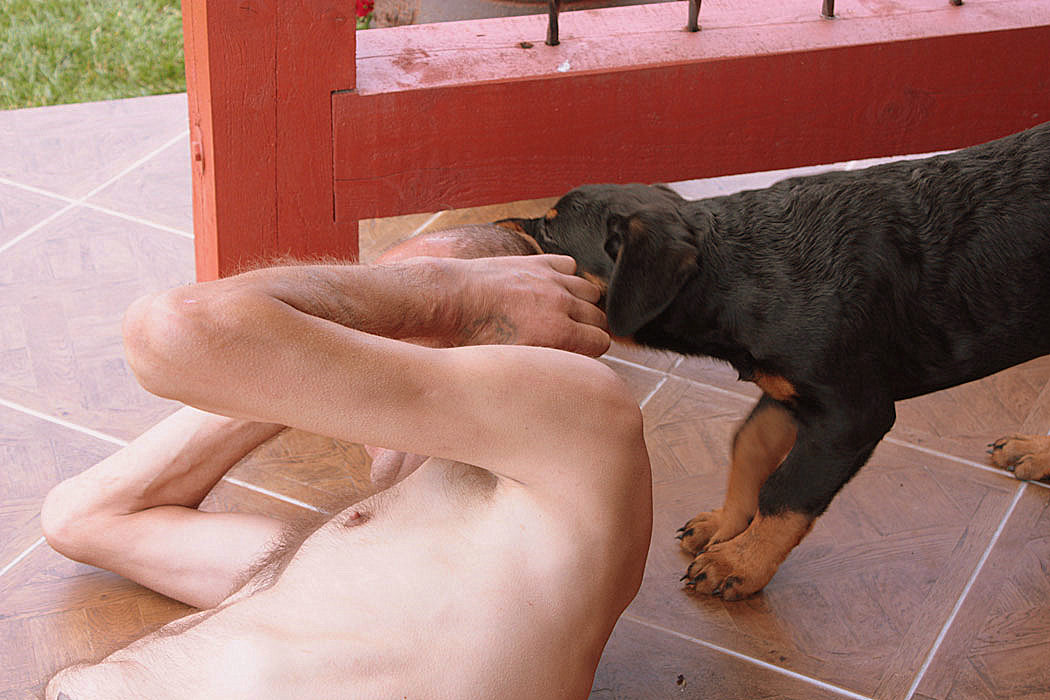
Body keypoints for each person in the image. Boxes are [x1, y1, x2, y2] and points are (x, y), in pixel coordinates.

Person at [40, 223, 653, 700]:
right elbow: (86, 518)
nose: (351, 333)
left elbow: (176, 329)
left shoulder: (582, 430)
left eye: (402, 302)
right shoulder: (351, 556)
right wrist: (278, 385)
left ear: (516, 332)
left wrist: (452, 293)